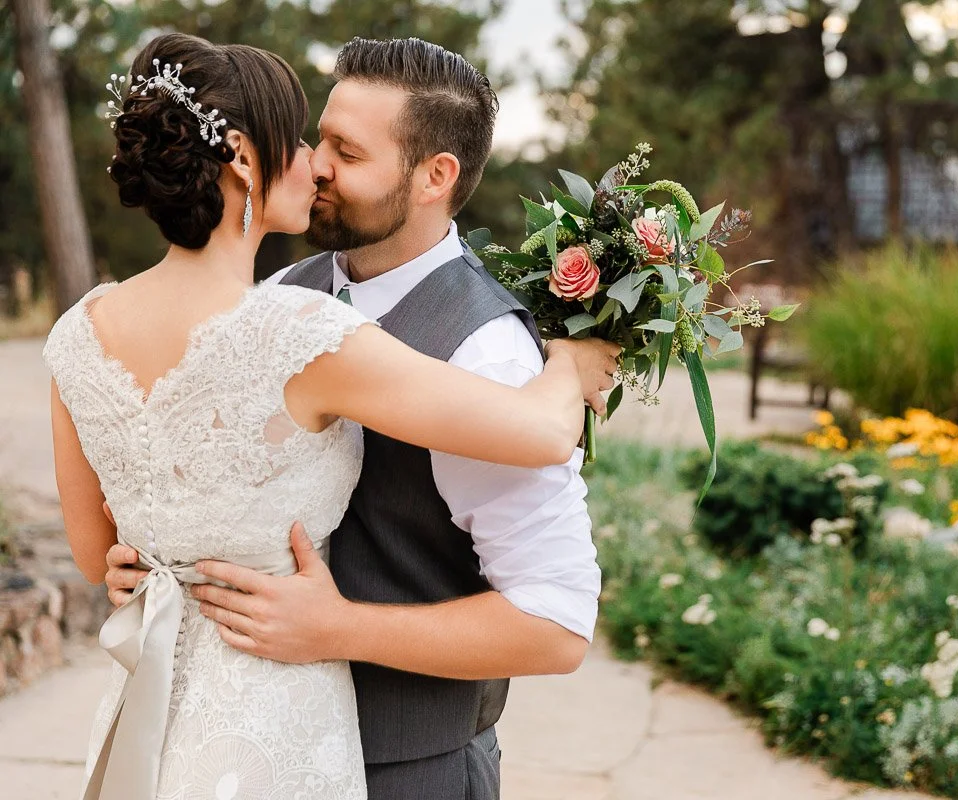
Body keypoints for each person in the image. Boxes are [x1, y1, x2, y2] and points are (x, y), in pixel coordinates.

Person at [46, 32, 617, 800]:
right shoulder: (289, 304)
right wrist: (148, 562)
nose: (315, 163)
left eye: (344, 151)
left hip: (407, 769)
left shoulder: (489, 348)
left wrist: (338, 626)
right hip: (212, 740)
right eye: (314, 139)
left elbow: (556, 622)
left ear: (434, 176)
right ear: (245, 160)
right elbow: (546, 426)